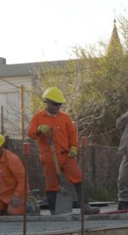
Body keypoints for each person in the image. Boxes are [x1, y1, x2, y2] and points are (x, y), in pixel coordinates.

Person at [28, 86, 99, 215]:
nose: (57, 107)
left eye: (59, 104)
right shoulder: (38, 117)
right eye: (55, 104)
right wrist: (39, 129)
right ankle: (55, 211)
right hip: (49, 156)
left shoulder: (65, 118)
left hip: (66, 155)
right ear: (47, 102)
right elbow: (31, 134)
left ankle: (85, 206)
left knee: (78, 177)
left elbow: (72, 133)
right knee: (52, 184)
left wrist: (73, 147)